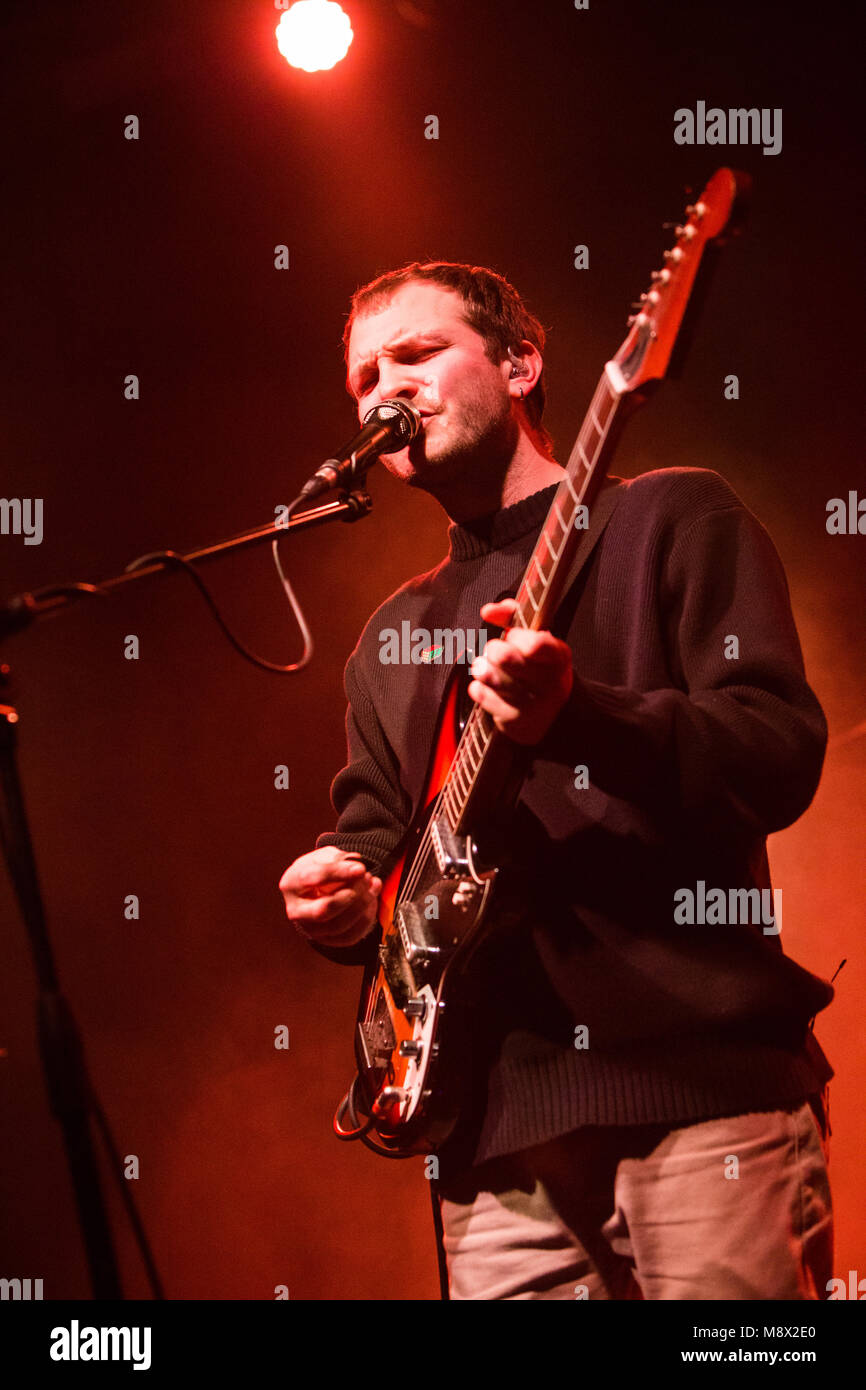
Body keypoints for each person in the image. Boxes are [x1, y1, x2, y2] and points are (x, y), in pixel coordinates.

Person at [279, 261, 834, 1301]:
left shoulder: (672, 519)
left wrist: (578, 716)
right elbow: (376, 844)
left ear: (521, 364)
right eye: (362, 378)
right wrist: (340, 895)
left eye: (415, 354)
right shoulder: (387, 639)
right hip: (492, 1154)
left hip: (699, 1100)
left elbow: (774, 750)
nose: (382, 391)